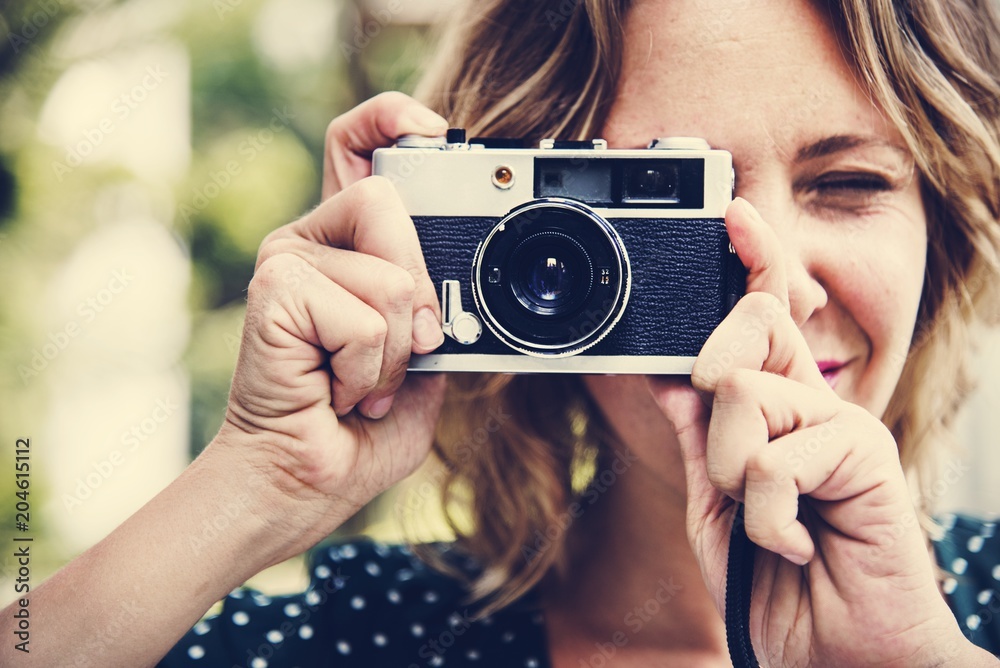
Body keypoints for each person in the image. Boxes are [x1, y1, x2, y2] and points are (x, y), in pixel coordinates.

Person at [5, 0, 1000, 665]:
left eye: (852, 183)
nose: (772, 283)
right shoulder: (372, 637)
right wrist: (260, 478)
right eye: (684, 198)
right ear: (513, 244)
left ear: (944, 229)